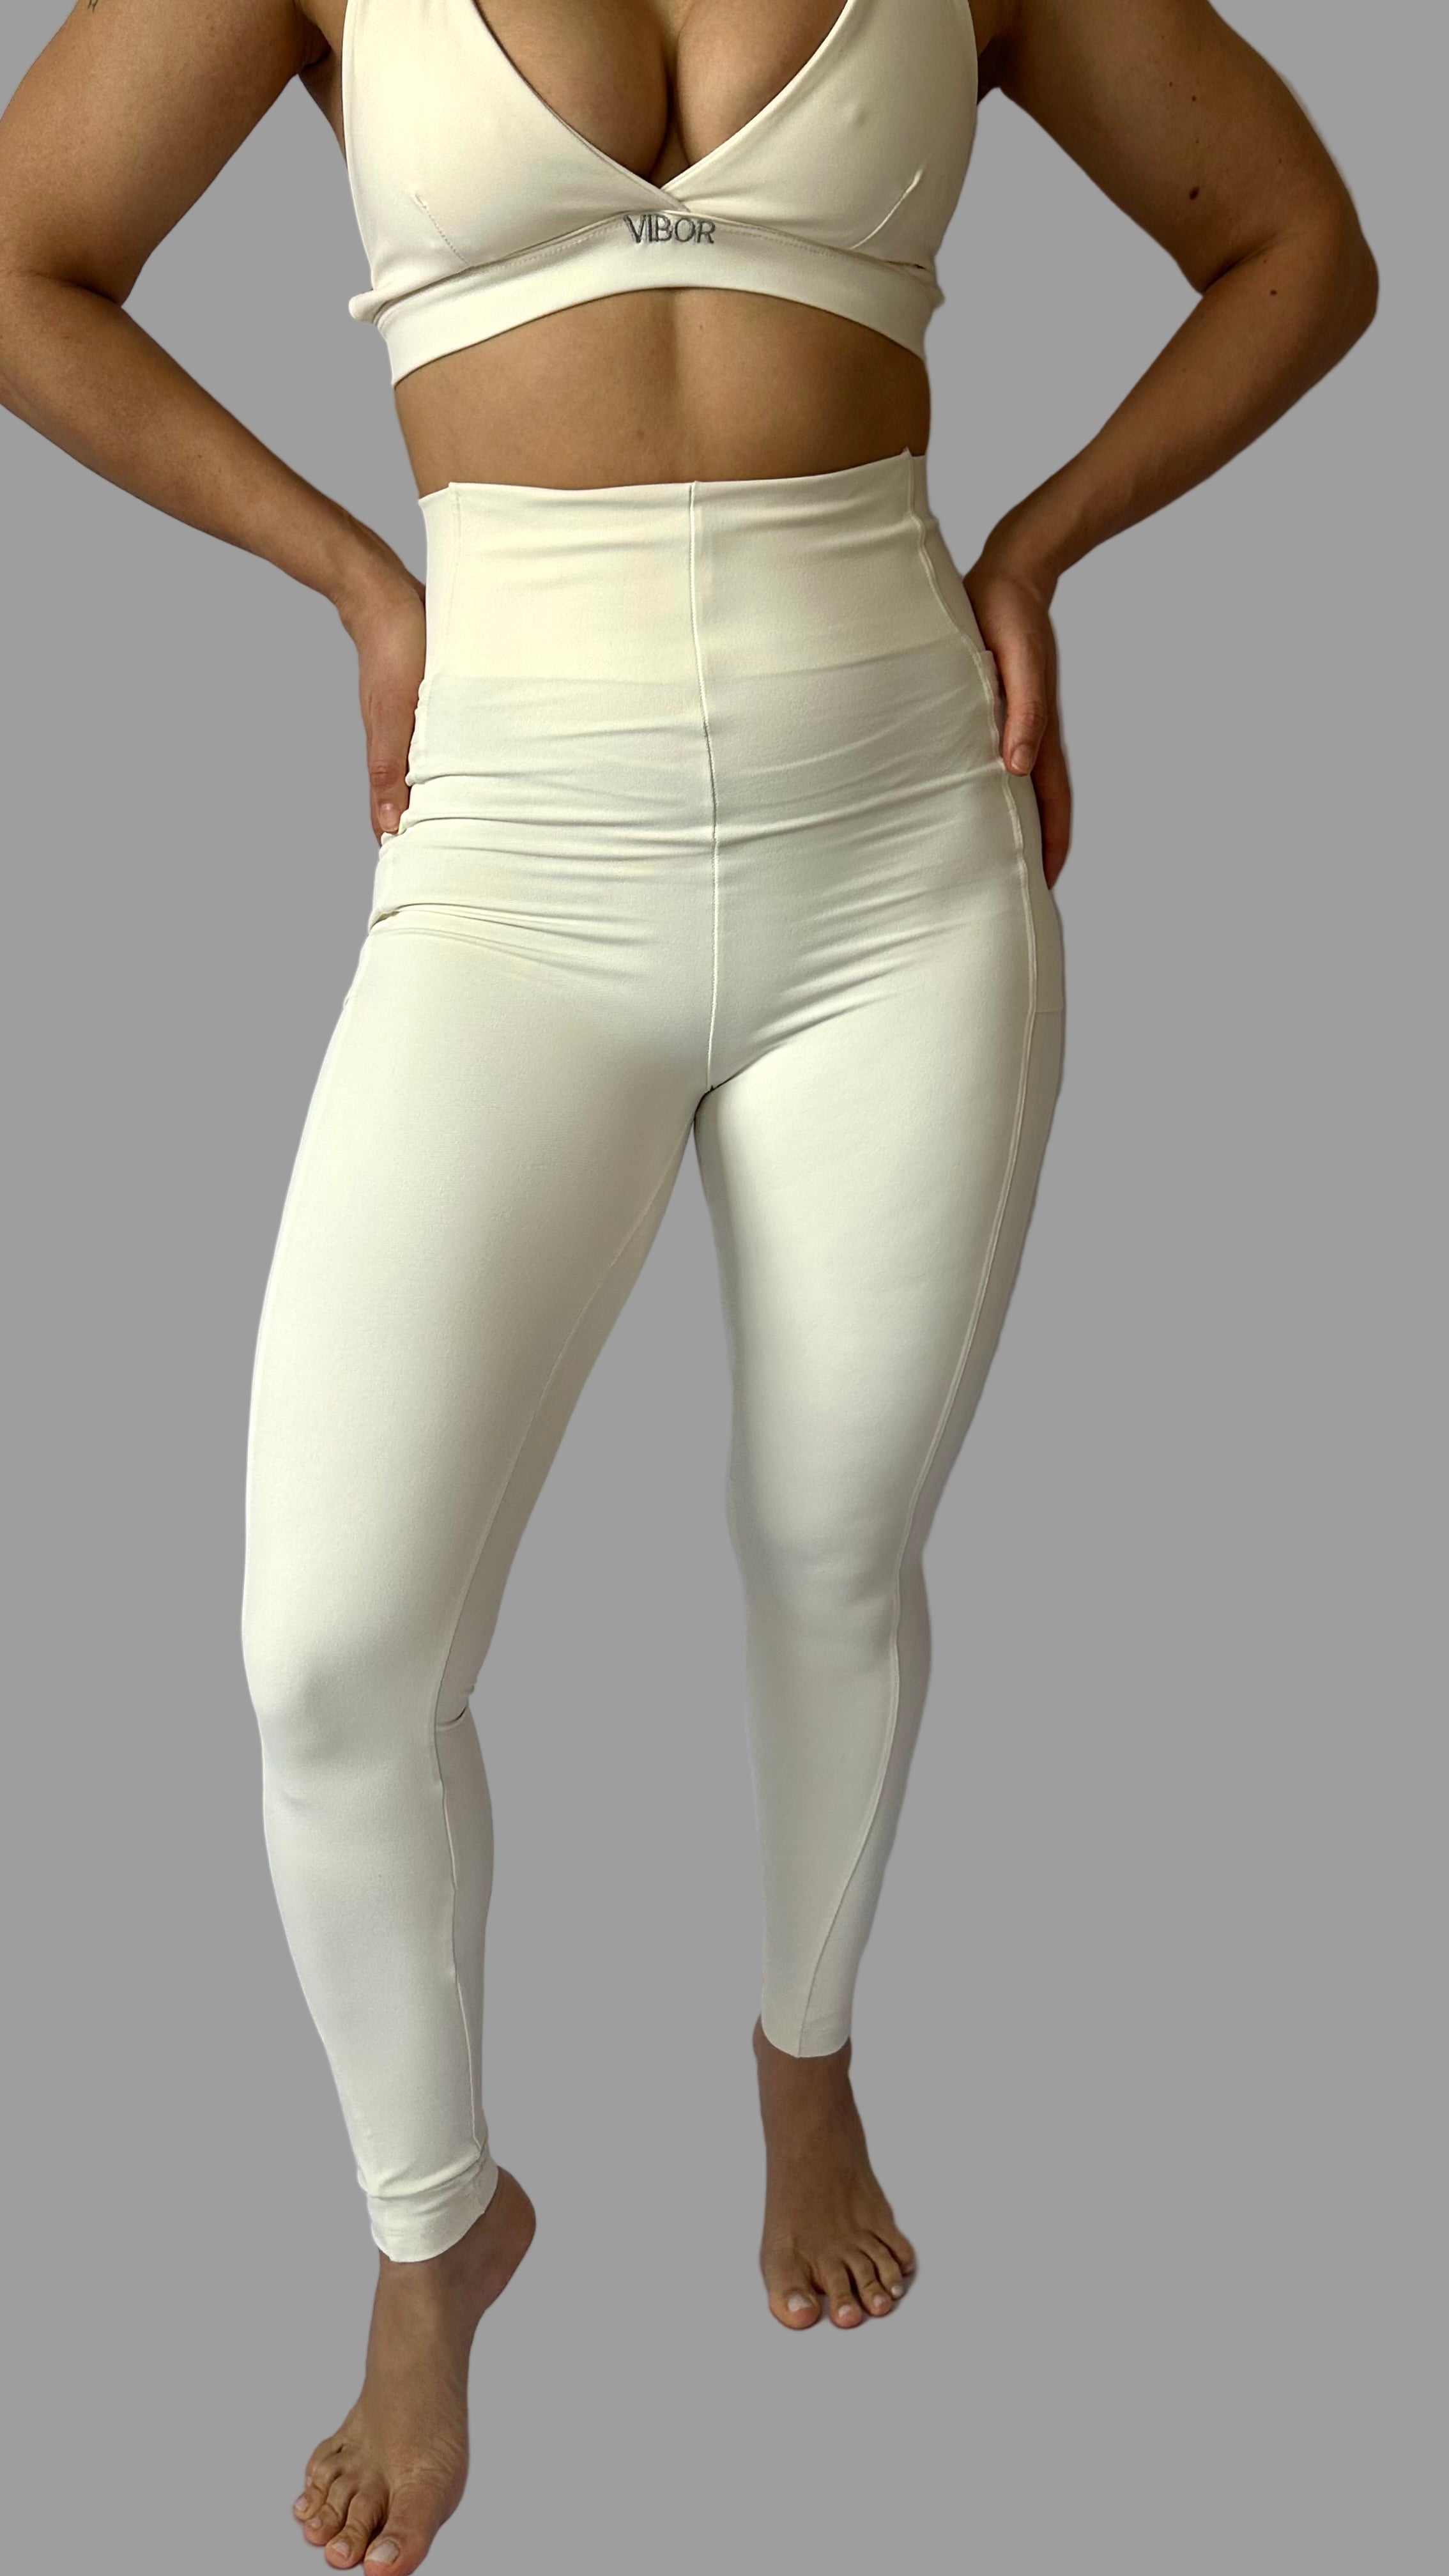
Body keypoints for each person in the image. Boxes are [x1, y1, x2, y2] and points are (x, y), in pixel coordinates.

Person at [0, 0, 1375, 2566]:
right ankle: (436, 2234)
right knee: (327, 1663)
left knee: (829, 1539)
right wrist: (351, 576)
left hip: (902, 844)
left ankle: (802, 2056)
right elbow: (22, 260)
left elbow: (1301, 246)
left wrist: (1035, 548)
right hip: (510, 850)